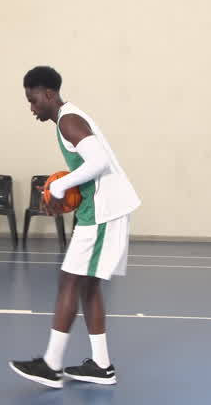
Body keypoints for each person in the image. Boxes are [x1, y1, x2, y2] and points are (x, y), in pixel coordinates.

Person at [10, 65, 141, 388]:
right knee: (87, 285)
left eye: (33, 100)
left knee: (70, 281)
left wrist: (58, 186)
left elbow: (99, 162)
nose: (31, 108)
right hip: (100, 211)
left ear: (49, 94)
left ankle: (52, 366)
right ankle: (101, 365)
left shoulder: (68, 120)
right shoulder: (69, 118)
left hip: (102, 213)